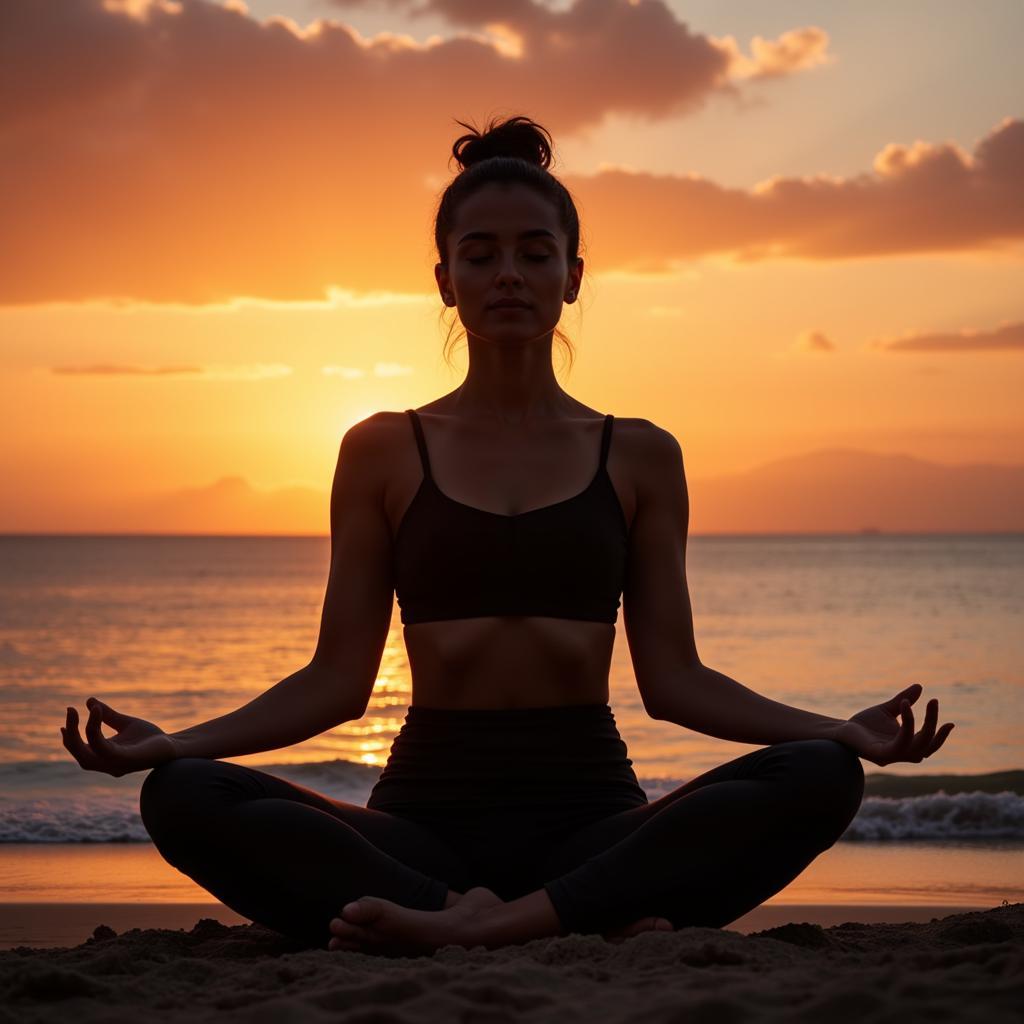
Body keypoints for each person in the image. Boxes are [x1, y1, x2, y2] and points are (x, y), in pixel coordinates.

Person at [61, 114, 955, 957]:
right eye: (479, 254)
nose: (509, 275)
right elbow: (335, 685)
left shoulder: (640, 454)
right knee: (183, 796)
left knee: (822, 775)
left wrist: (841, 730)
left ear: (573, 274)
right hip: (420, 827)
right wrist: (174, 743)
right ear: (444, 279)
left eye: (536, 252)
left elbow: (676, 684)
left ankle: (479, 926)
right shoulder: (381, 449)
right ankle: (513, 917)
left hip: (593, 818)